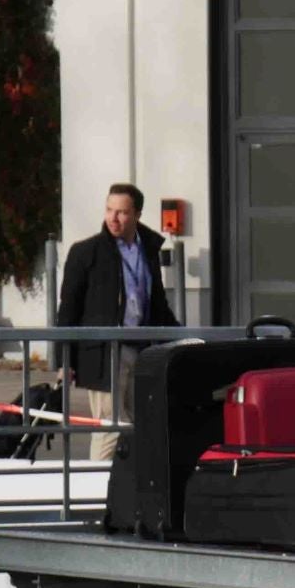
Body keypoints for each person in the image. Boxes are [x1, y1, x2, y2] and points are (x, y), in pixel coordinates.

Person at [56, 183, 179, 460]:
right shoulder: (87, 252)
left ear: (137, 214)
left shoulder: (147, 250)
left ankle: (127, 493)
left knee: (138, 424)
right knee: (110, 427)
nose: (113, 218)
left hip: (141, 349)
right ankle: (95, 492)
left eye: (122, 212)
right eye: (109, 210)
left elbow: (157, 305)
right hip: (104, 352)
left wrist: (181, 338)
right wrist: (65, 360)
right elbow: (68, 310)